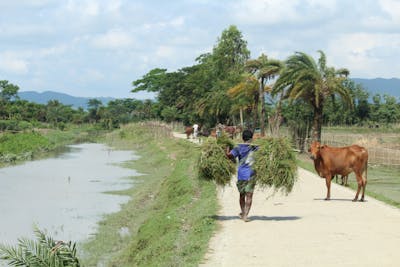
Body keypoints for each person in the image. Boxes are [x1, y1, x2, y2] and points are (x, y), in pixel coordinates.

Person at [226, 129, 257, 222]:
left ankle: (243, 212)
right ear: (251, 138)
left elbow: (229, 156)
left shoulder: (238, 148)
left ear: (243, 138)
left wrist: (227, 148)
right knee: (249, 196)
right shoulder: (255, 148)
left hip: (242, 175)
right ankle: (245, 215)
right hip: (252, 174)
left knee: (242, 195)